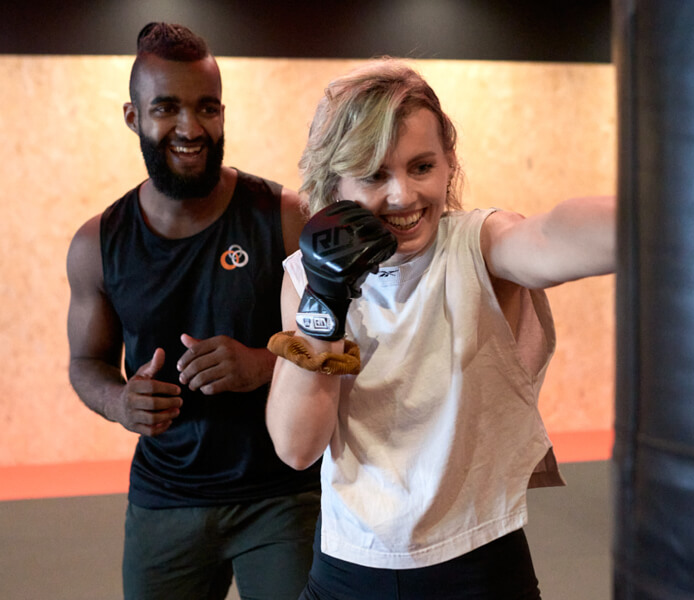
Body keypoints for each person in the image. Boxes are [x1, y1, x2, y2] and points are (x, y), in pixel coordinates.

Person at [265, 58, 615, 599]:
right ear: (334, 182)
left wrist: (674, 213)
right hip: (349, 566)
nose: (403, 196)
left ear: (449, 164)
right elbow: (296, 447)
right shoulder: (303, 278)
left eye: (421, 166)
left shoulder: (479, 246)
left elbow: (551, 239)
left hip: (479, 563)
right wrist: (325, 300)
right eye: (375, 175)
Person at [66, 22, 319, 600]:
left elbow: (346, 343)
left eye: (207, 107)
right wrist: (118, 400)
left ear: (223, 112)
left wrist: (262, 363)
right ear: (133, 117)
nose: (190, 128)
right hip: (165, 500)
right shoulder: (97, 245)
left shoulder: (283, 217)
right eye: (167, 108)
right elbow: (86, 361)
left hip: (281, 495)